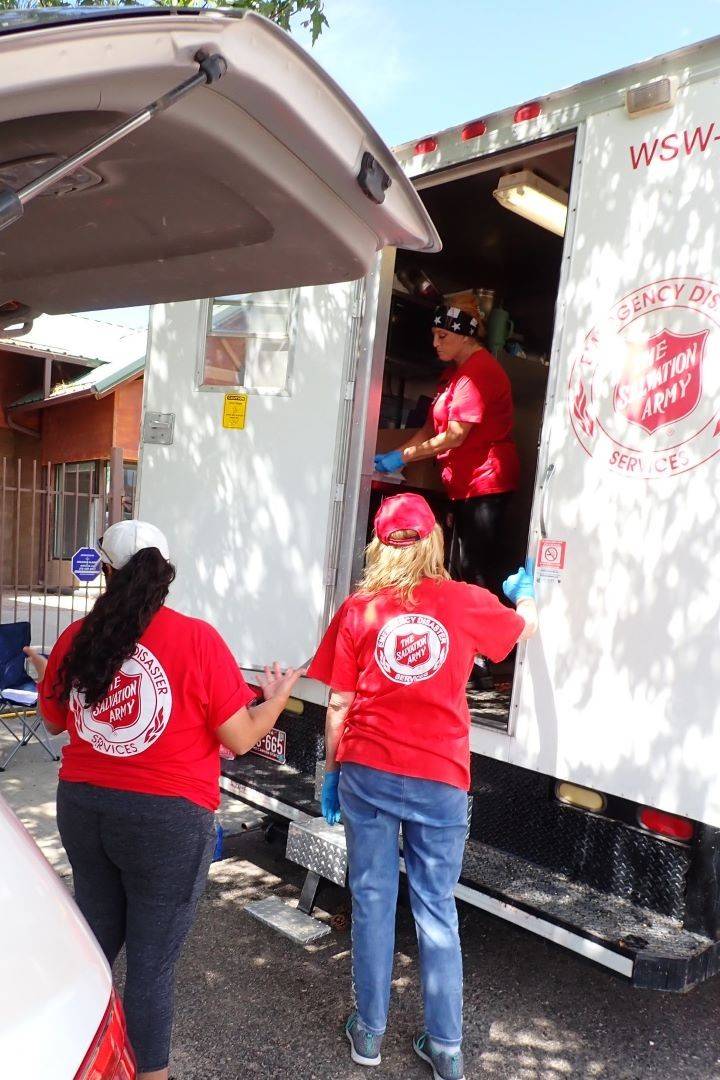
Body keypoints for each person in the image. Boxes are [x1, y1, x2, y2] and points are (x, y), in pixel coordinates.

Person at [26, 519, 302, 1080]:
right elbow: (240, 737)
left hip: (84, 809)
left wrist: (44, 674)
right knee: (149, 971)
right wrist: (274, 700)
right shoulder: (197, 638)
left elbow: (53, 722)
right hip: (166, 822)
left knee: (92, 949)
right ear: (164, 576)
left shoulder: (75, 640)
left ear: (104, 573)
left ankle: (63, 1060)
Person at [307, 493, 537, 1080]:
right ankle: (446, 1048)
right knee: (437, 910)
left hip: (368, 773)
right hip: (440, 778)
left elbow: (338, 703)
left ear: (379, 546)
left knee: (374, 901)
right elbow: (523, 632)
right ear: (433, 540)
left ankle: (369, 1033)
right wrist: (526, 594)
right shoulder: (465, 602)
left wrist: (332, 777)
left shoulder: (360, 610)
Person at [374, 299, 520, 690]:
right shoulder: (453, 375)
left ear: (465, 336)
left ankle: (485, 660)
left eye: (442, 336)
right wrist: (398, 456)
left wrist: (403, 455)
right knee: (458, 568)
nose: (435, 344)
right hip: (462, 484)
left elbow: (456, 435)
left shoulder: (479, 373)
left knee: (474, 570)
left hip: (486, 481)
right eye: (434, 336)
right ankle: (470, 654)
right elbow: (430, 427)